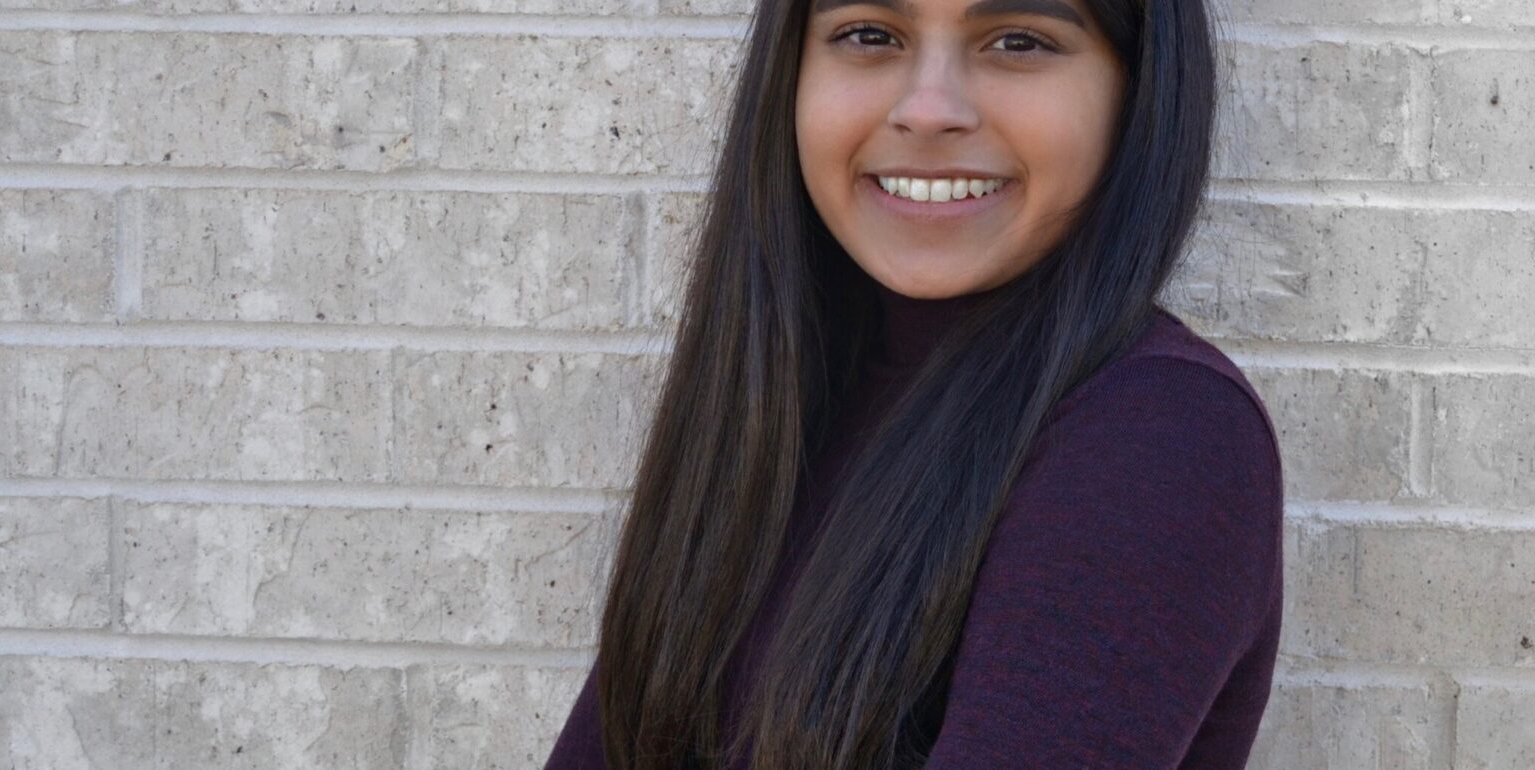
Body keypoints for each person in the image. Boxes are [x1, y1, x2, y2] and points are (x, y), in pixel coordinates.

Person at [544, 0, 1282, 765]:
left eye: (1019, 41)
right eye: (869, 35)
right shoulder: (786, 401)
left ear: (1136, 93)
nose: (928, 110)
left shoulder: (1157, 437)